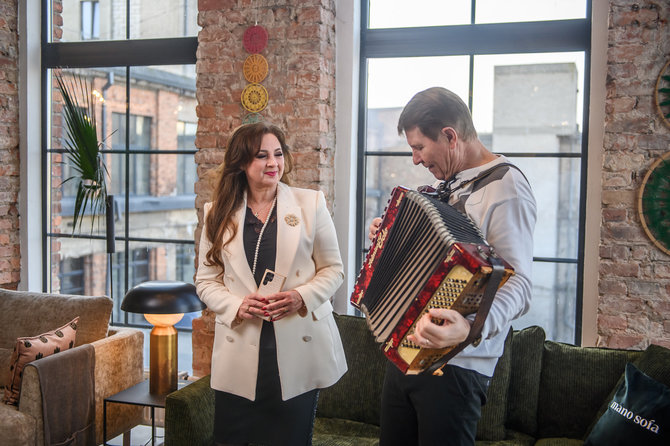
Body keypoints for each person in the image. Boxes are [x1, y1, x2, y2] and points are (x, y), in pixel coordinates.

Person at [369, 87, 536, 446]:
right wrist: (387, 237)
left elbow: (519, 285)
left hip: (457, 368)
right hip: (406, 351)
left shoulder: (505, 188)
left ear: (449, 136)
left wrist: (471, 326)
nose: (415, 159)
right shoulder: (447, 185)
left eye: (418, 148)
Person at [195, 122, 347, 446]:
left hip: (296, 345)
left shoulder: (311, 204)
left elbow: (334, 270)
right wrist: (236, 304)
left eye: (278, 154)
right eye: (261, 155)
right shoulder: (216, 214)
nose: (273, 163)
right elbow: (206, 281)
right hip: (240, 347)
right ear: (240, 163)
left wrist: (300, 297)